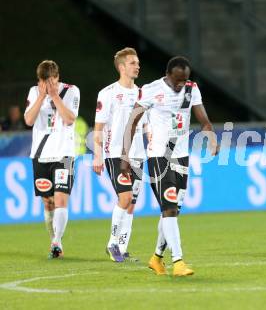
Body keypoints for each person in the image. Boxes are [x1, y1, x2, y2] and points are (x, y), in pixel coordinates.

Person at [121, 56, 218, 276]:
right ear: (168, 75)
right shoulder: (151, 90)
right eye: (177, 81)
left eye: (184, 80)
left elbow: (203, 118)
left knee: (173, 212)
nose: (181, 85)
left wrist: (210, 135)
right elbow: (132, 122)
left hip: (182, 157)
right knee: (170, 209)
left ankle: (156, 258)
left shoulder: (191, 89)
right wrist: (125, 156)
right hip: (159, 157)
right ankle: (178, 262)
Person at [93, 47, 147, 262]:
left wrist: (151, 137)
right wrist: (97, 155)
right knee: (124, 197)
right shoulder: (107, 94)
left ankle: (122, 250)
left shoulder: (143, 93)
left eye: (138, 63)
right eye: (133, 63)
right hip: (116, 154)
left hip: (138, 155)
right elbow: (99, 127)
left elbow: (146, 123)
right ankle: (112, 243)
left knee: (131, 203)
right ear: (122, 67)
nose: (137, 66)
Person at [24, 60, 80, 259]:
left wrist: (55, 96)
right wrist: (41, 96)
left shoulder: (72, 91)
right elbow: (29, 120)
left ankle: (56, 242)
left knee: (61, 199)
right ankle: (55, 241)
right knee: (48, 203)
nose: (48, 85)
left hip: (64, 154)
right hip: (41, 155)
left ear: (57, 77)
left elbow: (69, 119)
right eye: (44, 81)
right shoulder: (34, 92)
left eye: (51, 81)